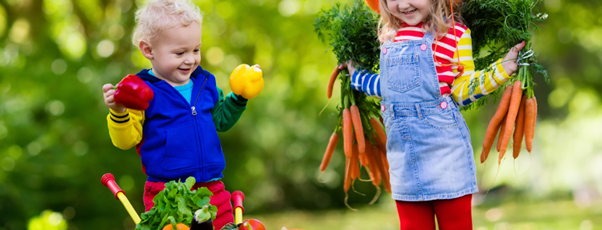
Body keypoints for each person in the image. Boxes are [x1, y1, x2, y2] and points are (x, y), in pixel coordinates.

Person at [345, 0, 525, 229]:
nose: (403, 4)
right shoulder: (389, 37)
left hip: (445, 154)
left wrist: (502, 69)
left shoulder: (455, 34)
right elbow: (387, 87)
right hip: (404, 158)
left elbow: (461, 92)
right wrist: (356, 74)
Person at [101, 0, 258, 229]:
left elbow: (221, 122)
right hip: (167, 194)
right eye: (180, 52)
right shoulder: (140, 92)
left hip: (212, 190)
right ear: (148, 50)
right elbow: (126, 141)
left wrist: (239, 97)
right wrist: (118, 111)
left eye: (196, 49)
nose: (190, 59)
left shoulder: (206, 83)